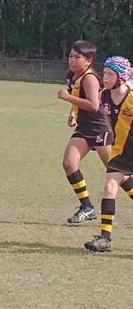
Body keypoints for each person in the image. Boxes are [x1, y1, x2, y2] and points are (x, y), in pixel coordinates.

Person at [57, 40, 111, 224]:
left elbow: (94, 105)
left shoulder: (89, 77)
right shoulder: (72, 75)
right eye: (70, 56)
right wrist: (73, 112)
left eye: (77, 57)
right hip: (84, 128)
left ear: (88, 60)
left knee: (116, 172)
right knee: (69, 163)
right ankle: (87, 207)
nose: (72, 60)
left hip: (100, 128)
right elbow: (79, 100)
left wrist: (68, 98)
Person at [85, 56, 133, 252]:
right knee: (110, 187)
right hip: (121, 150)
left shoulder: (131, 97)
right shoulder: (103, 95)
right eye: (104, 73)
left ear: (121, 77)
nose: (105, 77)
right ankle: (105, 237)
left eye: (110, 74)